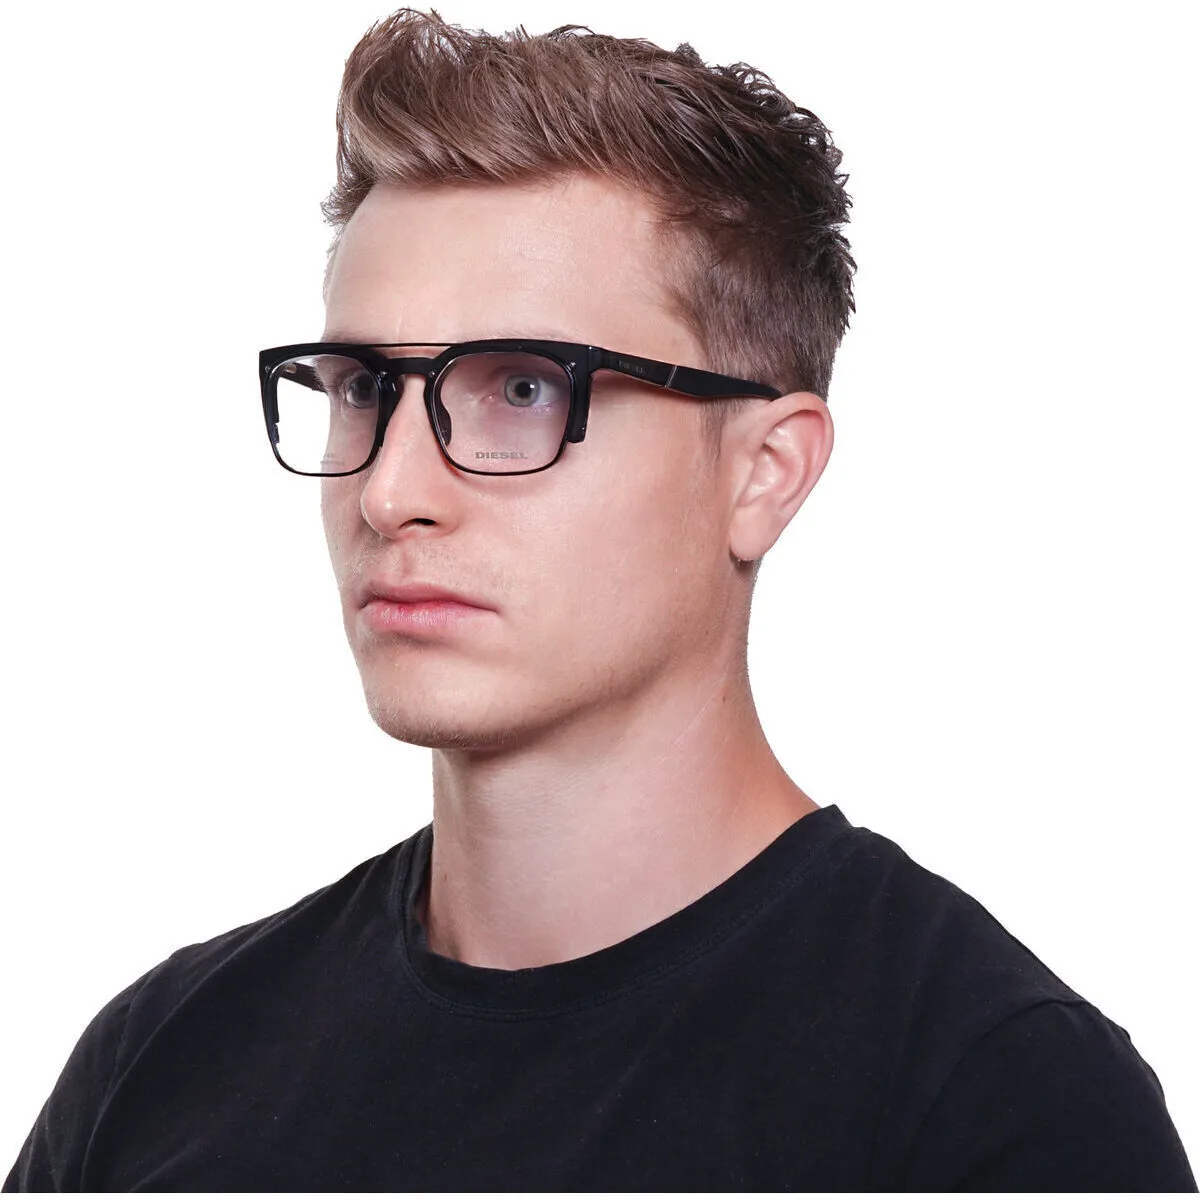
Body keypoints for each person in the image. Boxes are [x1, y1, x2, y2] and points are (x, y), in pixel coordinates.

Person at [5, 7, 1195, 1191]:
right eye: (364, 387)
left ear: (764, 473)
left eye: (524, 387)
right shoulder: (160, 1062)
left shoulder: (990, 1101)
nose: (390, 491)